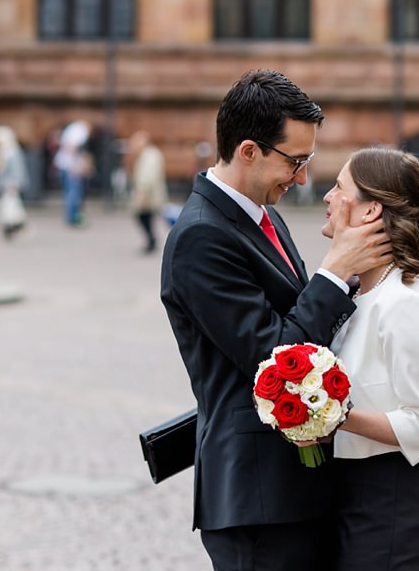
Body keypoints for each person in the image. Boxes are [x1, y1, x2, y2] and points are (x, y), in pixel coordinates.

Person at [159, 69, 391, 571]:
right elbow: (276, 361)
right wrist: (334, 273)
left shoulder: (264, 215)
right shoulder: (201, 237)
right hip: (257, 497)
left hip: (293, 488)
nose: (303, 178)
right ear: (248, 151)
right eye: (295, 161)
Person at [322, 147, 419, 571]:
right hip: (348, 494)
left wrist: (332, 415)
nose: (327, 197)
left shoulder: (402, 304)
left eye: (339, 188)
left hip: (391, 505)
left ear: (369, 210)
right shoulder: (356, 292)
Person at [128, 131, 167, 254]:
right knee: (147, 216)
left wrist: (142, 192)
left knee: (142, 215)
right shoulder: (148, 154)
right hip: (149, 193)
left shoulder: (150, 156)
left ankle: (151, 240)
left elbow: (147, 176)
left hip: (148, 194)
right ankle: (151, 240)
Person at [0, 125, 29, 241]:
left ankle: (17, 227)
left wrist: (15, 184)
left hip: (10, 185)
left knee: (10, 208)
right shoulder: (1, 151)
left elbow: (18, 170)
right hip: (3, 185)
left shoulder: (13, 152)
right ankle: (9, 229)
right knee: (5, 208)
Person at [55, 118, 91, 227]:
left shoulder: (73, 130)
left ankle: (73, 216)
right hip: (70, 167)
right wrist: (75, 165)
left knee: (71, 192)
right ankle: (73, 217)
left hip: (66, 165)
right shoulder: (80, 131)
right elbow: (71, 147)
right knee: (73, 193)